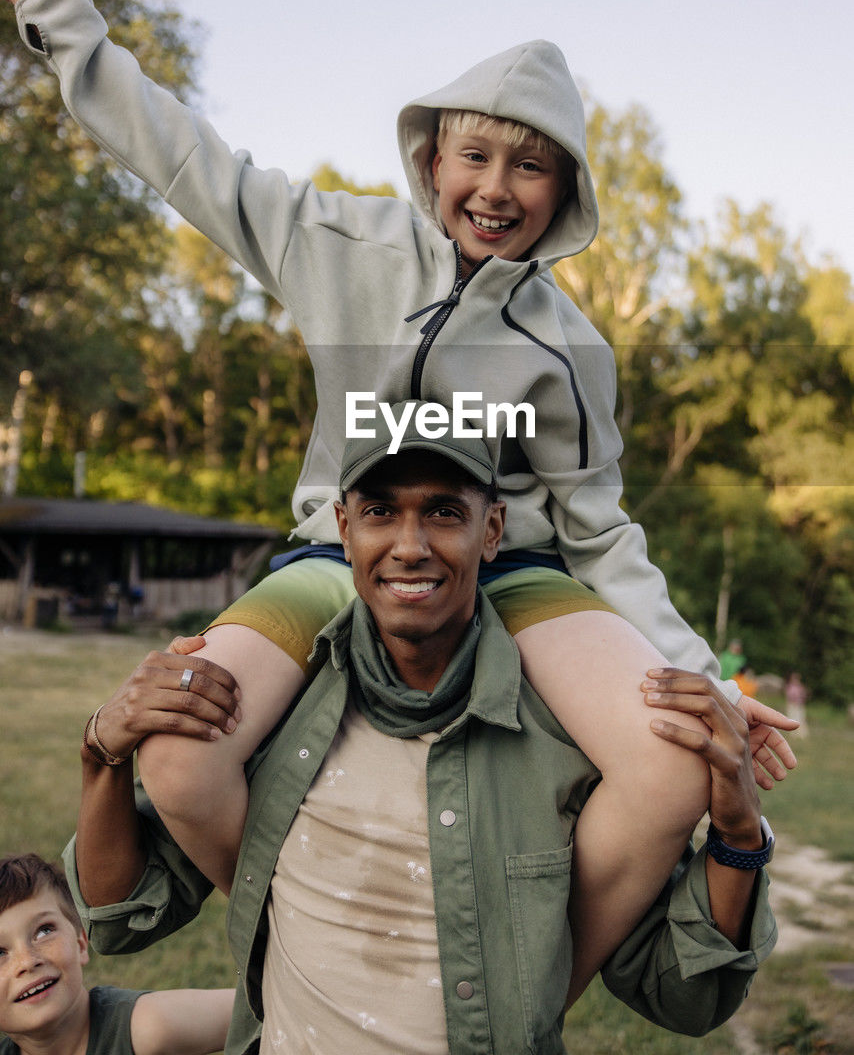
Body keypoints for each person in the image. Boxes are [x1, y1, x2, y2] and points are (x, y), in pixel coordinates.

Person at [0, 0, 795, 991]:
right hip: (336, 554)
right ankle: (311, 965)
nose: (496, 187)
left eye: (530, 165)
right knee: (182, 753)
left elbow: (602, 534)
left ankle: (533, 980)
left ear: (563, 194)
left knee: (666, 764)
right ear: (430, 161)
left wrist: (708, 680)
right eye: (474, 154)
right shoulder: (339, 244)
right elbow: (190, 160)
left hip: (516, 573)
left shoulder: (570, 350)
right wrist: (63, 19)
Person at [67, 412, 777, 1054]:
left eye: (443, 511)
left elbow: (684, 993)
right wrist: (101, 753)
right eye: (381, 511)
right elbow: (120, 913)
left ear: (491, 530)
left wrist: (740, 836)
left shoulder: (571, 741)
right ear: (343, 529)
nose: (410, 546)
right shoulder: (272, 721)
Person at [0, 852, 234, 1055]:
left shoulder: (147, 1026)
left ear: (81, 943)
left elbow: (258, 1007)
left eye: (44, 931)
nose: (28, 962)